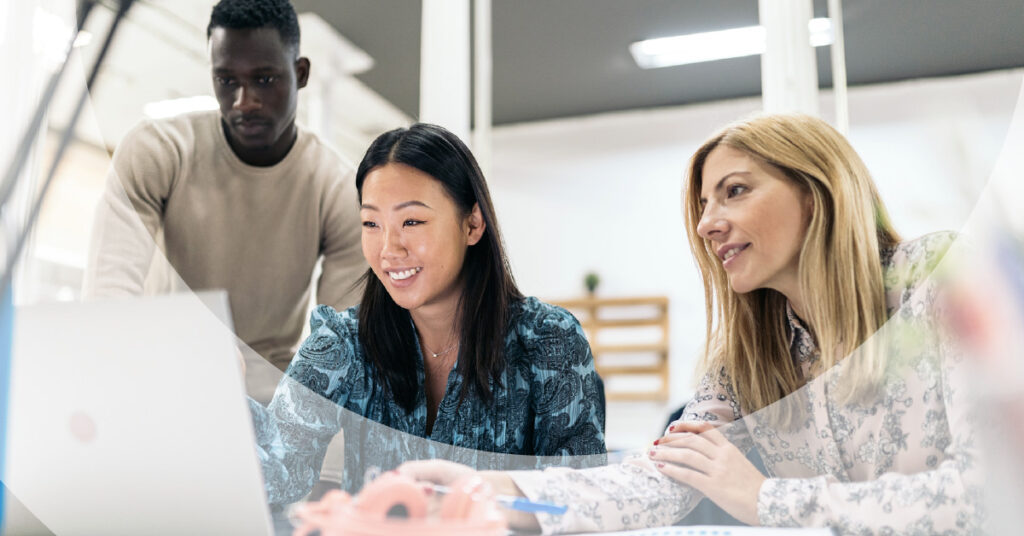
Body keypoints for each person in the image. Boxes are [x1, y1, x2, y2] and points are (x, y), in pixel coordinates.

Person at [396, 113, 981, 535]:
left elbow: (986, 497)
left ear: (816, 192)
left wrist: (767, 500)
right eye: (703, 205)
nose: (707, 225)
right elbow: (659, 482)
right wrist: (498, 491)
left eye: (734, 191)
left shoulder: (937, 281)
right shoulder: (747, 359)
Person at [249, 123, 607, 506]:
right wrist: (221, 398)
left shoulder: (549, 341)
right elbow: (278, 474)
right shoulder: (341, 344)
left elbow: (580, 498)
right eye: (371, 223)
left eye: (412, 222)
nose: (389, 249)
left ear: (473, 224)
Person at [82, 0, 366, 396]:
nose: (243, 101)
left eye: (264, 80)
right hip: (159, 381)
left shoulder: (340, 191)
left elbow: (336, 356)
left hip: (269, 410)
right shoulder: (157, 151)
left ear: (300, 74)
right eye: (227, 80)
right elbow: (106, 306)